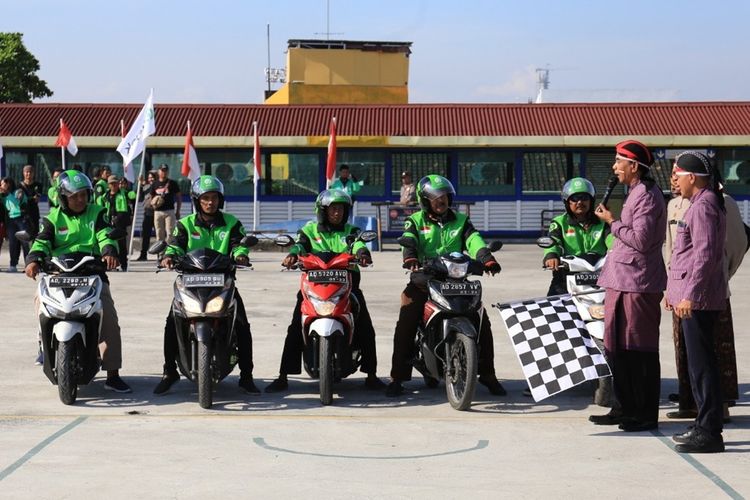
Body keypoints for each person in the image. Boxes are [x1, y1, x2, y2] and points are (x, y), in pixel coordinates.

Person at [386, 175, 506, 397]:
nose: (441, 201)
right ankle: (397, 377)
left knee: (482, 321)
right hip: (424, 280)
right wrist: (410, 256)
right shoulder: (415, 220)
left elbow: (474, 240)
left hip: (457, 280)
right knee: (407, 319)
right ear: (424, 200)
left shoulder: (461, 220)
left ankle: (488, 374)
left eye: (445, 197)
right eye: (436, 198)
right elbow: (409, 238)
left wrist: (487, 258)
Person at [265, 189, 385, 392]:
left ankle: (371, 374)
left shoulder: (351, 231)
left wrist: (363, 253)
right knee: (295, 327)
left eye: (341, 209)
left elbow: (358, 245)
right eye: (333, 209)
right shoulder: (310, 231)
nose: (337, 213)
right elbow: (300, 246)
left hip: (348, 287)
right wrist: (293, 255)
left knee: (365, 325)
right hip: (313, 288)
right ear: (323, 211)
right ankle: (283, 376)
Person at [23, 170, 131, 392]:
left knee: (108, 318)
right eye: (74, 196)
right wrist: (33, 260)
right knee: (40, 302)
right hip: (58, 274)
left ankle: (113, 374)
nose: (80, 199)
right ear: (63, 197)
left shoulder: (97, 212)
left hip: (91, 274)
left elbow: (105, 235)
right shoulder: (52, 219)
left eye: (83, 194)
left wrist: (110, 251)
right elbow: (42, 241)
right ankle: (43, 342)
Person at [153, 175, 258, 395]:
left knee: (241, 324)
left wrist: (240, 255)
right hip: (189, 283)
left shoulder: (232, 223)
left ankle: (246, 376)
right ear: (197, 200)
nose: (211, 202)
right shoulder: (184, 224)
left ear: (221, 200)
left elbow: (239, 244)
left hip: (223, 281)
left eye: (214, 198)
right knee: (172, 323)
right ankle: (169, 372)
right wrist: (168, 257)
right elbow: (175, 246)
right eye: (206, 198)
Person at [589, 140, 666, 432]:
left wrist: (612, 222)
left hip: (638, 283)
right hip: (621, 281)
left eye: (619, 161)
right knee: (617, 348)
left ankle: (643, 413)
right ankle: (623, 407)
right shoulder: (635, 192)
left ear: (634, 166)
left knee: (639, 350)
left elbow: (642, 240)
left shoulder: (646, 195)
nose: (614, 167)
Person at [664, 164, 742, 424]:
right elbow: (673, 250)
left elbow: (730, 246)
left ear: (693, 177)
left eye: (678, 174)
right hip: (684, 291)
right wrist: (672, 287)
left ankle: (715, 413)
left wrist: (720, 277)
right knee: (689, 354)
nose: (674, 179)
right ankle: (692, 406)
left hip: (703, 291)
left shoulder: (715, 203)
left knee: (712, 353)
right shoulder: (676, 205)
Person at [543, 177, 613, 296]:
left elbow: (612, 239)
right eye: (575, 198)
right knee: (553, 307)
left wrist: (619, 250)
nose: (580, 202)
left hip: (601, 276)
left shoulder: (602, 222)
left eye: (584, 198)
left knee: (620, 307)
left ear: (591, 200)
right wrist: (551, 255)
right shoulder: (559, 222)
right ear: (567, 202)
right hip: (566, 276)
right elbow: (554, 241)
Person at [102, 175, 135, 271]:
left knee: (122, 244)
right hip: (109, 222)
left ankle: (123, 264)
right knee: (110, 243)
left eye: (116, 183)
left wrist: (140, 185)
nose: (114, 185)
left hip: (120, 222)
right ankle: (111, 264)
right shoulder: (105, 196)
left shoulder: (124, 193)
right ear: (108, 185)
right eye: (112, 184)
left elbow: (134, 196)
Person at [1, 177, 30, 273]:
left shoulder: (19, 191)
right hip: (11, 220)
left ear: (8, 184)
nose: (1, 186)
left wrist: (8, 194)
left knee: (25, 243)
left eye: (3, 184)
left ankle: (28, 264)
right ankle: (13, 265)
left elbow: (16, 203)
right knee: (12, 243)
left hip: (21, 218)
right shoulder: (4, 195)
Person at [151, 164, 182, 244]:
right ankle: (160, 253)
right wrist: (154, 204)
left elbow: (179, 197)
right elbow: (151, 197)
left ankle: (169, 252)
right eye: (162, 170)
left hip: (169, 211)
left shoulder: (172, 183)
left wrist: (178, 210)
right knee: (159, 233)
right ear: (158, 171)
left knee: (170, 233)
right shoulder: (154, 184)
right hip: (158, 212)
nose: (164, 172)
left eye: (165, 170)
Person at [136, 170, 156, 261]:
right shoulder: (146, 187)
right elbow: (138, 196)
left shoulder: (158, 186)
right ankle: (143, 254)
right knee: (145, 235)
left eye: (152, 177)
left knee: (160, 235)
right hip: (147, 213)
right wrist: (140, 184)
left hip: (157, 213)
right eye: (149, 178)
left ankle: (162, 255)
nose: (150, 179)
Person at [19, 165, 43, 237]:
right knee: (22, 235)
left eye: (30, 172)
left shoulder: (38, 185)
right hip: (22, 213)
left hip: (34, 213)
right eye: (27, 172)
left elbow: (36, 199)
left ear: (33, 173)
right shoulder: (19, 185)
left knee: (34, 235)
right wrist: (31, 198)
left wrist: (27, 198)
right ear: (23, 173)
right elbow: (19, 199)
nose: (28, 174)